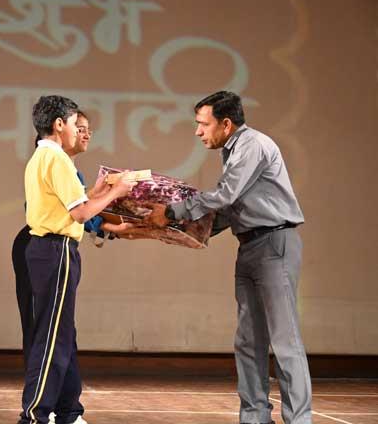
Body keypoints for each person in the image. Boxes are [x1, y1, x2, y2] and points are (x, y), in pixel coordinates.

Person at [146, 91, 311, 424]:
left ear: (225, 123)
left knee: (284, 340)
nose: (198, 132)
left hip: (274, 244)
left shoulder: (252, 145)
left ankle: (299, 420)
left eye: (203, 124)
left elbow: (225, 194)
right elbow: (231, 209)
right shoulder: (233, 150)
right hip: (249, 246)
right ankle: (254, 417)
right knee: (248, 340)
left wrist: (174, 212)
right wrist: (182, 231)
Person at [18, 95, 134, 424]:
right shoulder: (56, 159)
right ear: (59, 124)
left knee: (61, 334)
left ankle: (68, 412)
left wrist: (100, 190)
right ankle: (34, 415)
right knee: (52, 339)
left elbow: (74, 202)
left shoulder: (42, 156)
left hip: (47, 250)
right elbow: (81, 213)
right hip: (55, 250)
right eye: (74, 124)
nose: (78, 130)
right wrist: (117, 192)